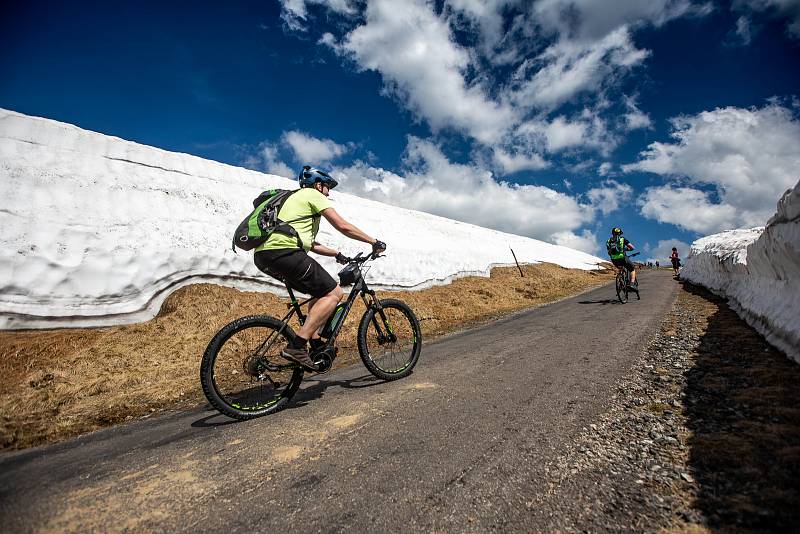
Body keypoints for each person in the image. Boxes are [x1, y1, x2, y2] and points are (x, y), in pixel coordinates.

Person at [253, 165, 386, 370]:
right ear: (317, 185)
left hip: (264, 255)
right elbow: (343, 226)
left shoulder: (292, 200)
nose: (328, 191)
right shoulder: (312, 195)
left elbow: (308, 242)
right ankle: (297, 346)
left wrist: (336, 254)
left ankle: (315, 341)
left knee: (318, 292)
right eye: (326, 186)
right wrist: (373, 241)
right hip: (284, 251)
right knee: (334, 293)